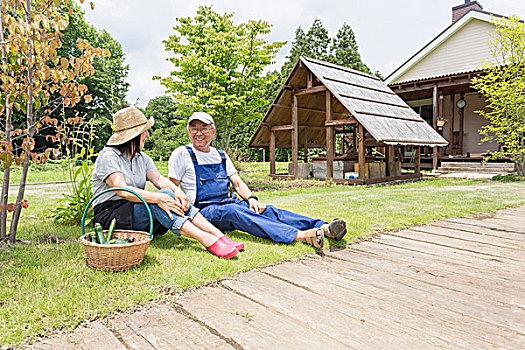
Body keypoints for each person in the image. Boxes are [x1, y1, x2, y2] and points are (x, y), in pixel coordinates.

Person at [168, 112, 347, 248]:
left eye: (204, 128)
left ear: (213, 132)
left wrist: (251, 199)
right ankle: (299, 235)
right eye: (194, 129)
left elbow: (237, 182)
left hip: (228, 202)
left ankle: (323, 227)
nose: (199, 133)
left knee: (267, 210)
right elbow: (171, 187)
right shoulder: (182, 154)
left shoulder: (220, 155)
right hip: (204, 211)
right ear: (189, 131)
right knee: (234, 211)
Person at [91, 106, 243, 259]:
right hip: (110, 215)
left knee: (169, 192)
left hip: (134, 210)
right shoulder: (108, 156)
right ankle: (206, 239)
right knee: (157, 199)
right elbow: (122, 190)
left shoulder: (142, 158)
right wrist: (157, 198)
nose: (147, 134)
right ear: (133, 135)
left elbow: (159, 180)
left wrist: (178, 192)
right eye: (145, 131)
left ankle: (218, 235)